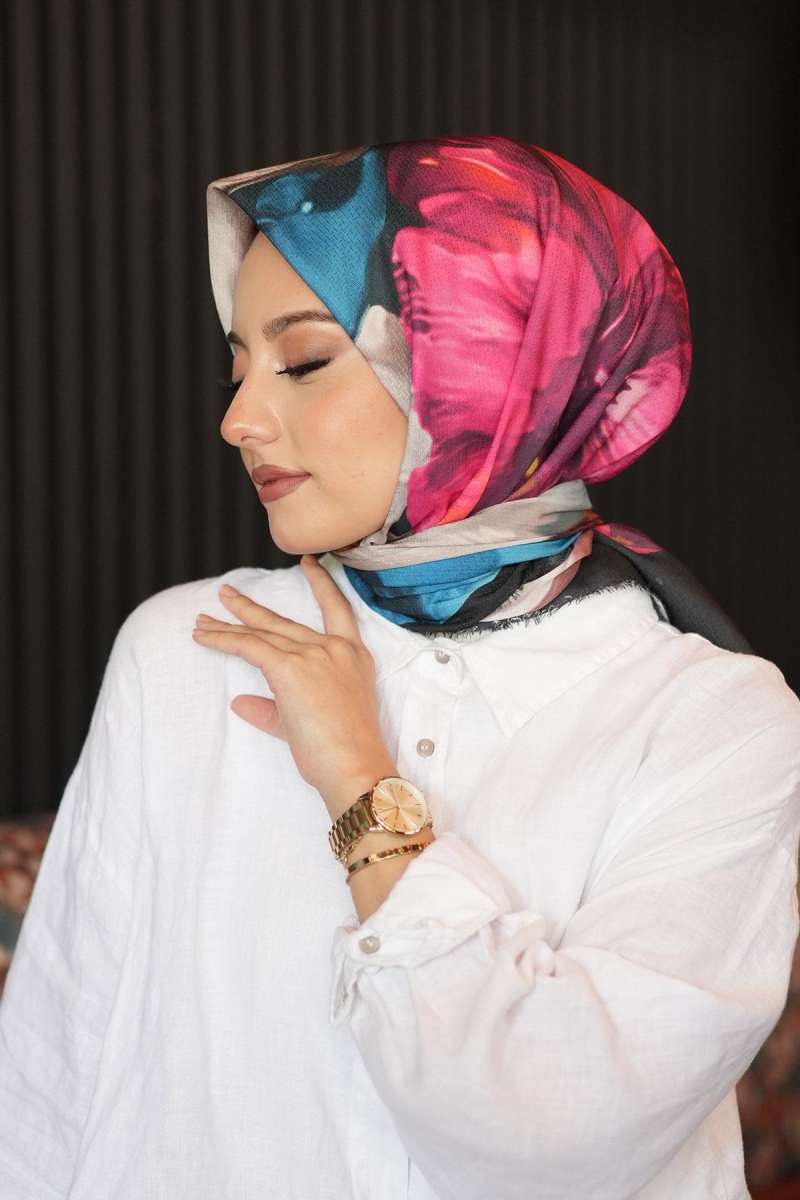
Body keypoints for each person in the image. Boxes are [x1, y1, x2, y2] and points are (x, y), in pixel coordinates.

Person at [0, 135, 798, 1200]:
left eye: (303, 363)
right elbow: (43, 1095)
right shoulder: (188, 648)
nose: (237, 420)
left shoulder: (713, 721)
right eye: (237, 365)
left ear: (493, 365)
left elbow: (558, 1134)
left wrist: (359, 789)